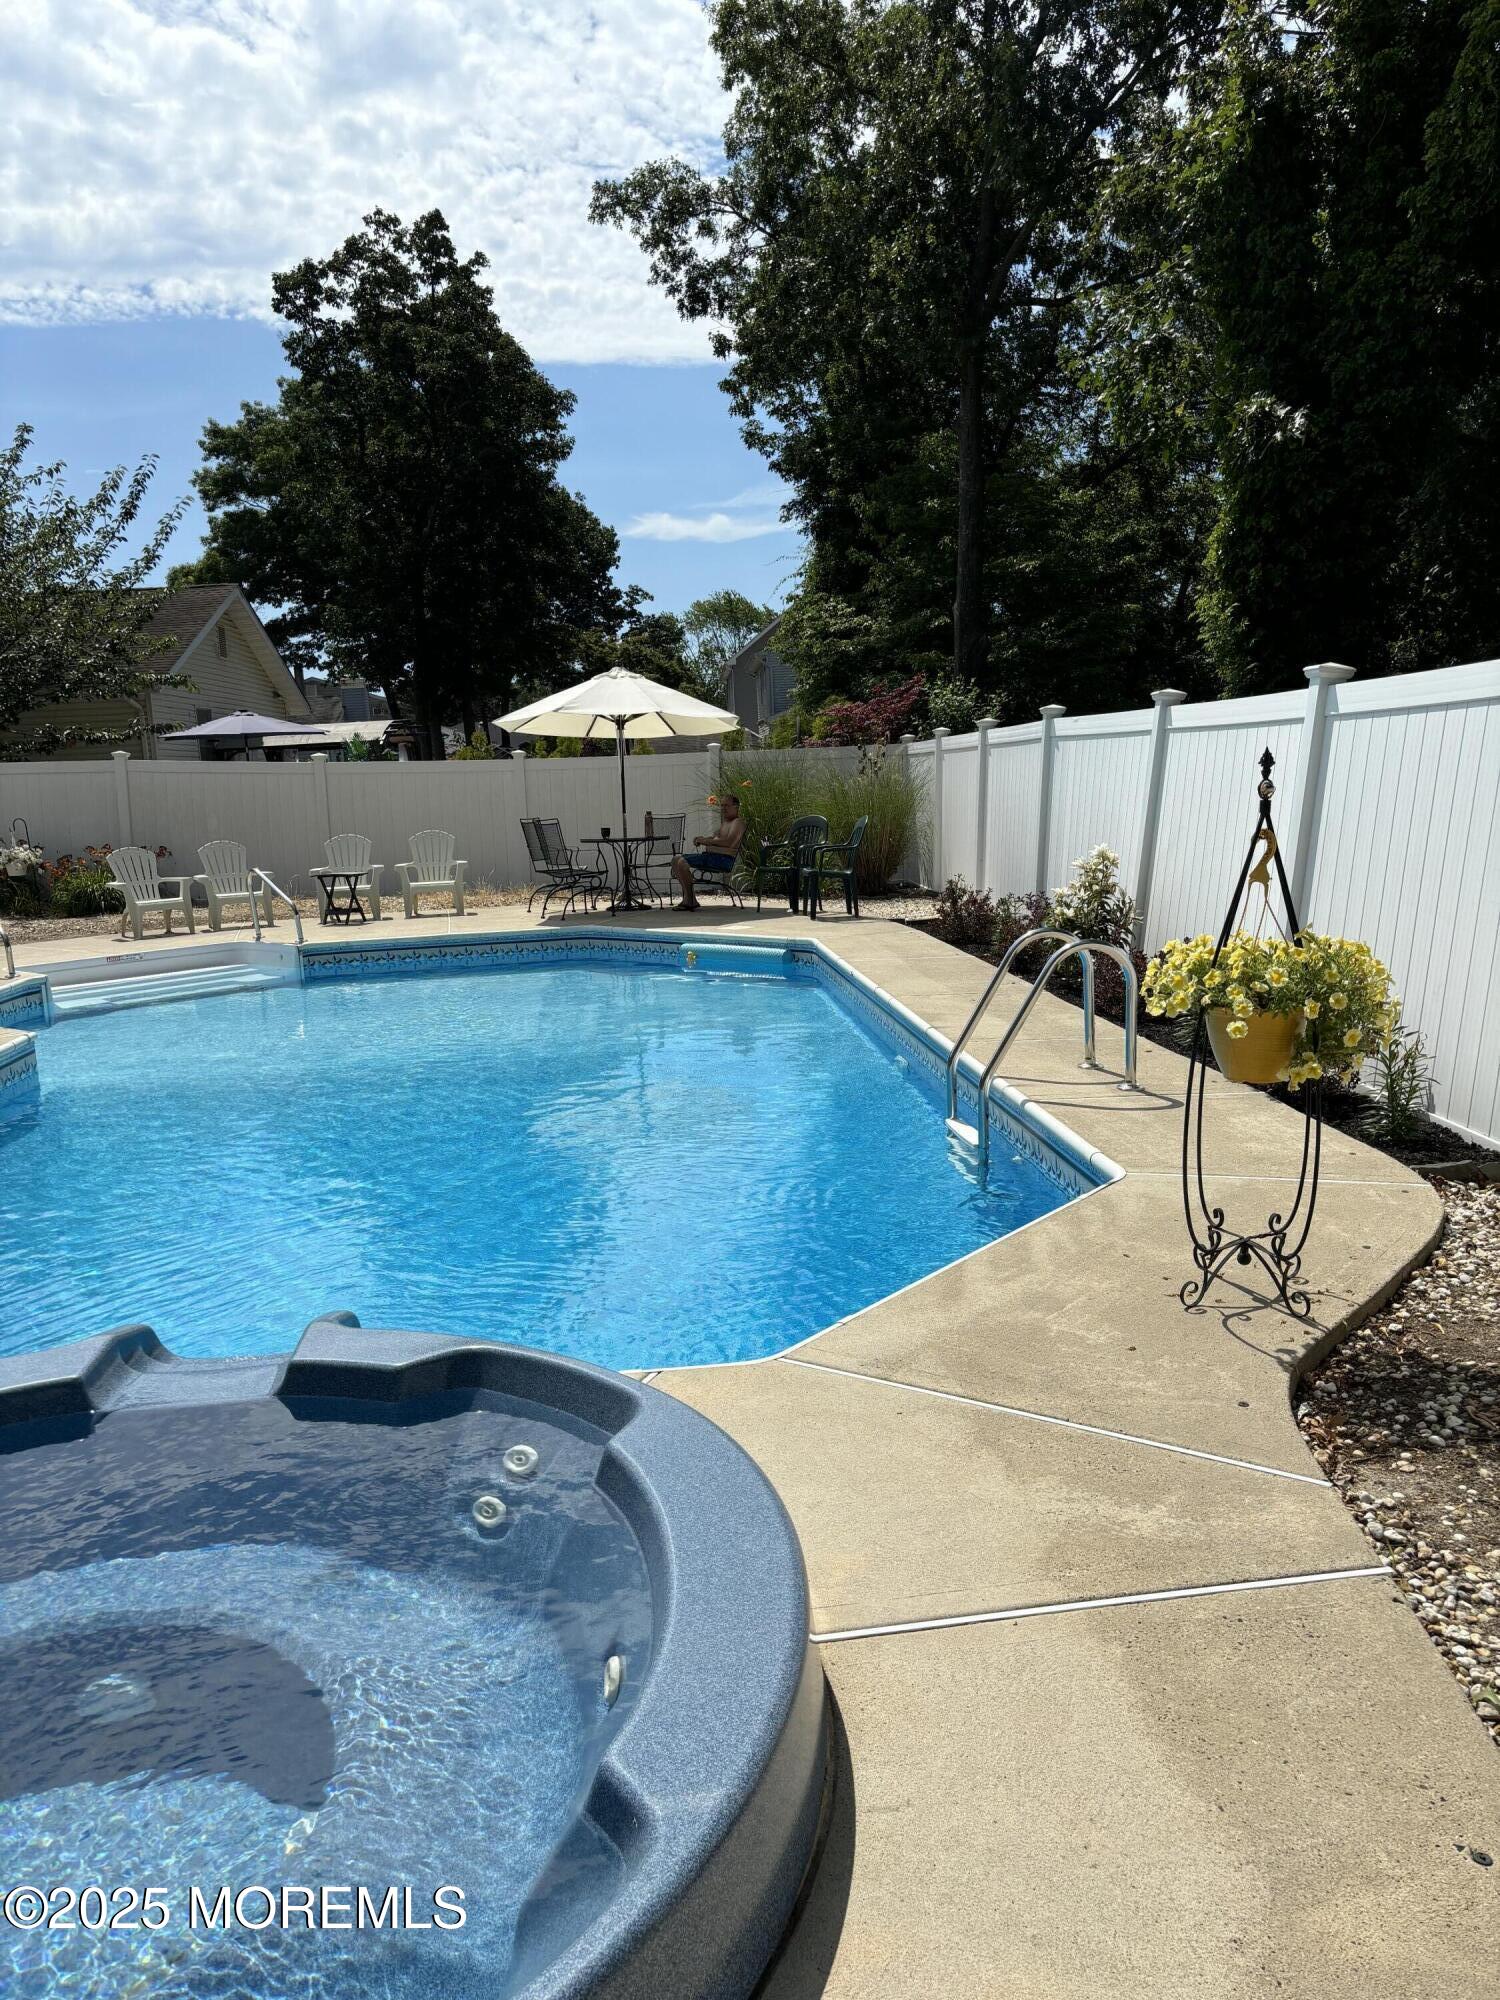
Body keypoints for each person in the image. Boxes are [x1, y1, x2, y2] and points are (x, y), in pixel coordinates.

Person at [673, 794, 746, 910]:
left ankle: (690, 901)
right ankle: (690, 898)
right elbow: (715, 839)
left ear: (736, 807)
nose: (723, 808)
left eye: (727, 805)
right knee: (676, 860)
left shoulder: (737, 822)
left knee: (681, 862)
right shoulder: (725, 823)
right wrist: (701, 839)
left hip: (722, 859)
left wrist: (706, 841)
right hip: (711, 857)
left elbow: (729, 842)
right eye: (722, 806)